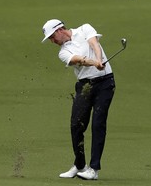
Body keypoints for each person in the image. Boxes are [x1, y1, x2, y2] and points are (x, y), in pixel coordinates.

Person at [41, 19, 116, 180]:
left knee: (98, 124)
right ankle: (80, 165)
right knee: (76, 125)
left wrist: (99, 58)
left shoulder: (84, 29)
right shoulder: (62, 52)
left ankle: (94, 169)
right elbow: (78, 60)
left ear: (60, 30)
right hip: (85, 86)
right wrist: (94, 63)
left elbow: (94, 43)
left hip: (105, 84)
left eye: (52, 37)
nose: (52, 41)